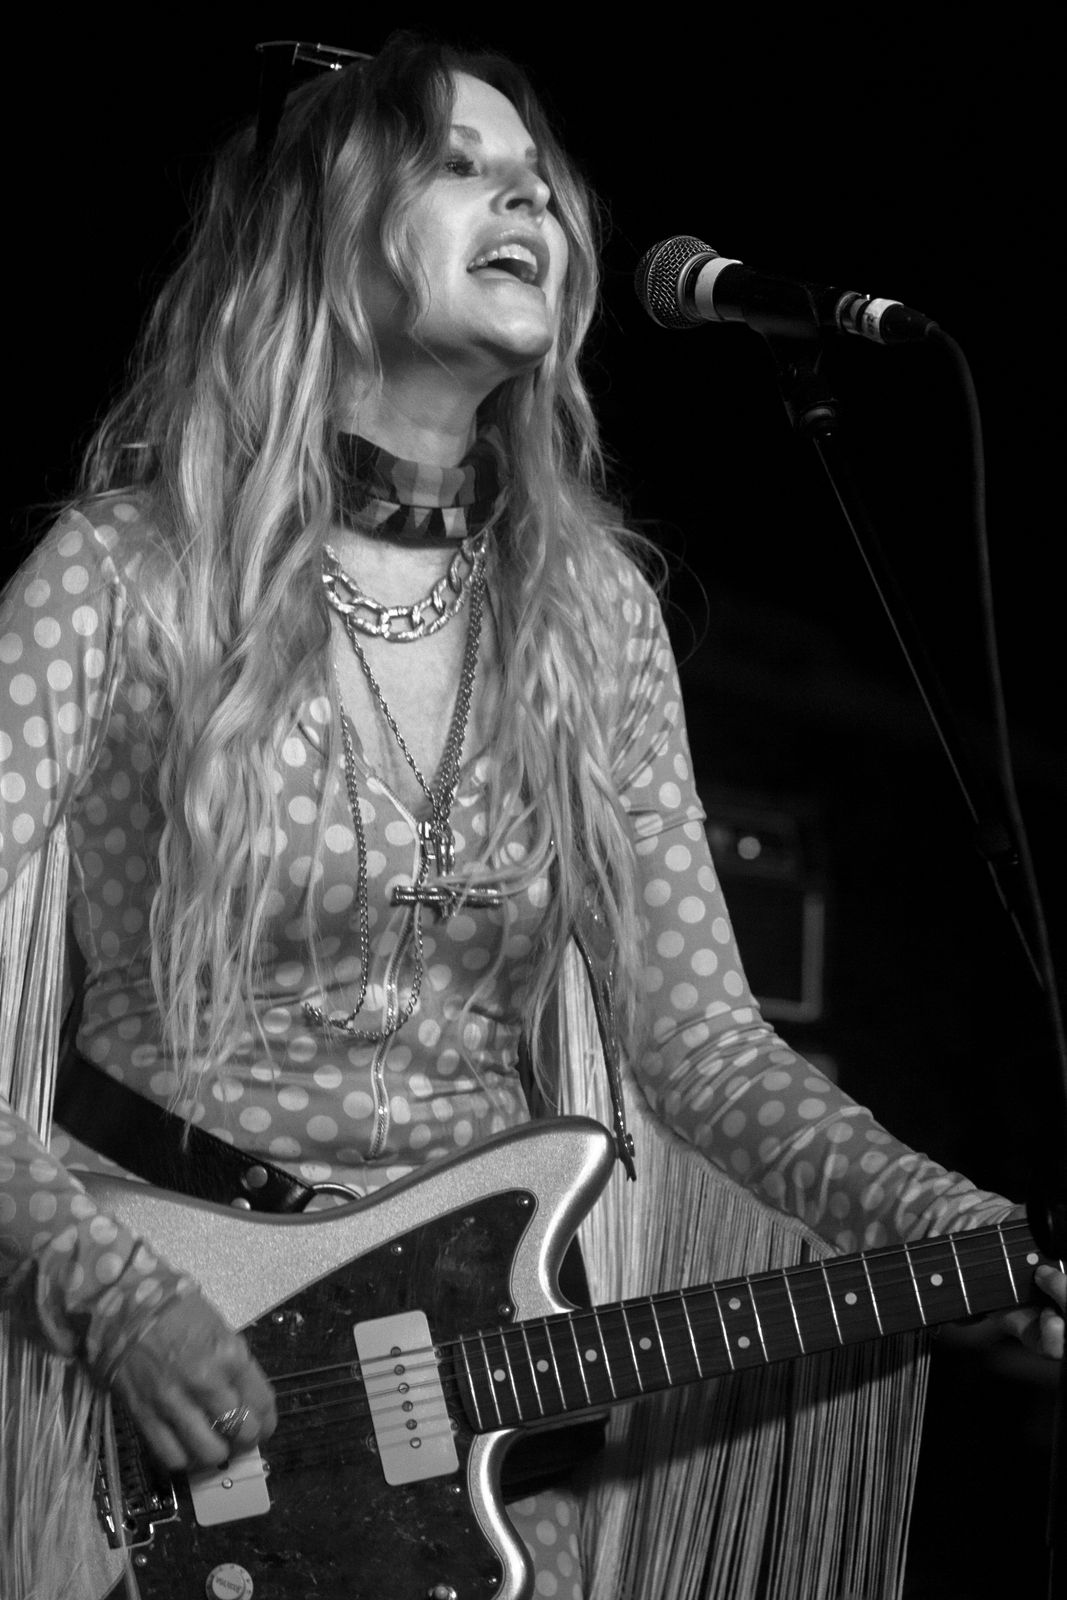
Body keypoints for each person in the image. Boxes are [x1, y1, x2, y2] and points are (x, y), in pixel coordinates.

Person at [1, 31, 1062, 1600]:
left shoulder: (592, 617)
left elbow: (704, 1050)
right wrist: (113, 1296)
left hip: (475, 1421)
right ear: (319, 232)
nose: (532, 202)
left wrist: (960, 1228)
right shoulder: (118, 578)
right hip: (151, 1386)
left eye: (541, 182)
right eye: (460, 165)